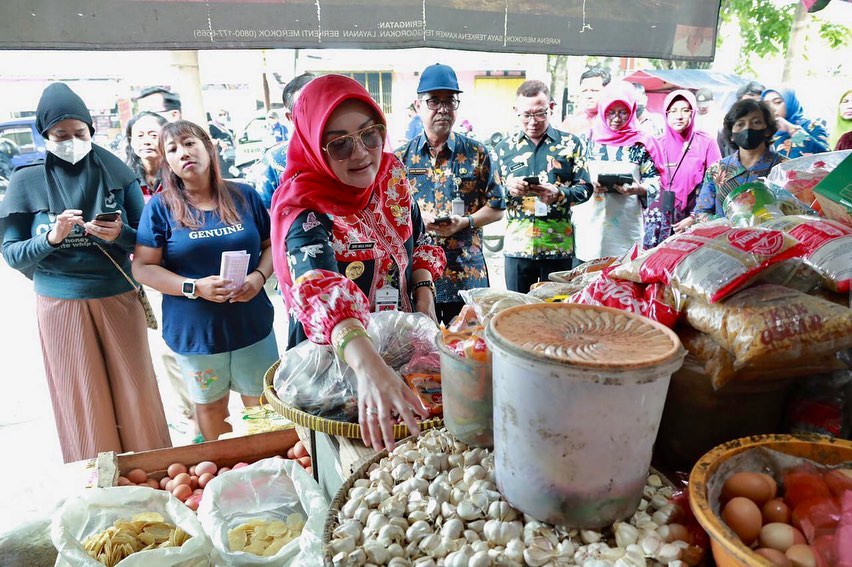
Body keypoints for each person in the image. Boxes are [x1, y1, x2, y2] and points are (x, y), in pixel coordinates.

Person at [269, 74, 447, 452]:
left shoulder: (390, 174)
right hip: (338, 368)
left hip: (402, 352)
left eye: (370, 134)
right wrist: (368, 366)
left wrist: (424, 299)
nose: (362, 153)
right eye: (339, 144)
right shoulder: (303, 205)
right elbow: (317, 285)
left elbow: (419, 238)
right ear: (313, 144)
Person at [0, 83, 171, 462]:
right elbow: (11, 254)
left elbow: (148, 241)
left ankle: (153, 470)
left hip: (117, 294)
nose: (72, 142)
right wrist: (51, 237)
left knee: (137, 390)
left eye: (80, 133)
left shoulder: (116, 171)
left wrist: (119, 234)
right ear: (44, 135)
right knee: (82, 397)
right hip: (61, 302)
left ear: (91, 130)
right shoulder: (26, 180)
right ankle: (97, 480)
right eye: (61, 136)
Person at [132, 120, 278, 442]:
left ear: (208, 148)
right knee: (211, 409)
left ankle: (271, 465)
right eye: (173, 149)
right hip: (197, 332)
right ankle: (227, 468)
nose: (183, 153)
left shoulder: (244, 196)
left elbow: (272, 247)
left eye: (189, 143)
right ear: (167, 162)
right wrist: (194, 287)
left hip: (251, 323)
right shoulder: (160, 208)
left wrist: (258, 277)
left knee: (264, 408)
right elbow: (143, 267)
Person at [395, 63, 504, 324]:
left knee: (469, 344)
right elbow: (391, 213)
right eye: (434, 101)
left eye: (450, 101)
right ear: (418, 105)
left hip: (467, 273)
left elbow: (497, 207)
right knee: (421, 345)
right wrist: (419, 219)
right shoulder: (399, 159)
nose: (443, 109)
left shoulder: (478, 153)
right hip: (419, 277)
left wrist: (466, 222)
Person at [492, 80, 592, 292]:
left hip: (558, 246)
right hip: (518, 247)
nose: (532, 121)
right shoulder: (503, 149)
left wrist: (559, 194)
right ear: (516, 111)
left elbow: (585, 188)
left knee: (555, 309)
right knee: (517, 308)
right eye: (526, 115)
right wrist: (508, 190)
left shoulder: (571, 144)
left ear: (551, 108)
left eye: (539, 114)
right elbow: (491, 195)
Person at [571, 81, 662, 263]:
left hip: (625, 226)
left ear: (632, 111)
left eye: (623, 112)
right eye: (611, 112)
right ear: (602, 110)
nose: (616, 118)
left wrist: (638, 189)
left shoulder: (641, 144)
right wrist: (588, 185)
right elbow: (573, 177)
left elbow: (655, 181)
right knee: (586, 273)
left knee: (622, 272)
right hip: (589, 224)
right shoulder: (586, 140)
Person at [689, 99, 785, 223]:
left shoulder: (783, 168)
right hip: (724, 235)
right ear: (731, 135)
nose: (748, 128)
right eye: (740, 124)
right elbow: (701, 212)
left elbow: (797, 212)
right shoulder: (717, 170)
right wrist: (730, 222)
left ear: (767, 130)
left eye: (756, 122)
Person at [648, 89, 722, 245]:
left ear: (693, 112)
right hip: (658, 218)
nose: (679, 116)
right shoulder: (656, 144)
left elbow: (716, 183)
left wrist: (694, 217)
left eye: (685, 110)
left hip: (693, 216)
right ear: (666, 114)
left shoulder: (706, 142)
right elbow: (648, 181)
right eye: (673, 111)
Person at [249, 73, 315, 208]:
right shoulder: (275, 161)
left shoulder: (355, 149)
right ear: (291, 117)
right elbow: (267, 211)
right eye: (308, 108)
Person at [762, 87, 830, 159]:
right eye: (766, 104)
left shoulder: (811, 126)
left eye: (777, 102)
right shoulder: (764, 133)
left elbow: (825, 157)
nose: (771, 108)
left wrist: (792, 130)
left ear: (790, 103)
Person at [124, 111, 167, 201]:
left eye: (153, 135)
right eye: (140, 136)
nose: (146, 142)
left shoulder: (178, 175)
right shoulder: (124, 178)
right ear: (131, 141)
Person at [560, 67, 611, 136]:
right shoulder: (571, 123)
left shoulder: (615, 121)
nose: (588, 96)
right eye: (584, 91)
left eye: (594, 91)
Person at [208, 109, 236, 175]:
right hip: (220, 158)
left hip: (230, 157)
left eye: (224, 114)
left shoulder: (227, 130)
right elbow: (207, 140)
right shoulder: (211, 127)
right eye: (220, 115)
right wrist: (219, 141)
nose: (223, 116)